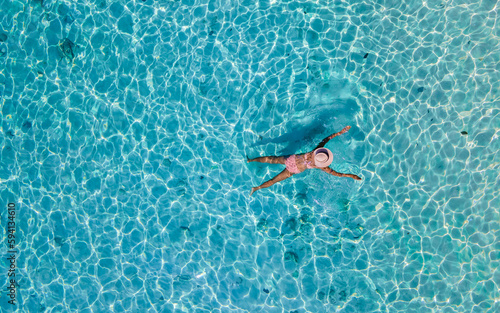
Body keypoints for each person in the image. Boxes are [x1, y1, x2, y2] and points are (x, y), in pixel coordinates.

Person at [248, 126, 361, 195]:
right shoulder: (322, 167)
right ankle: (256, 188)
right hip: (295, 169)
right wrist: (350, 176)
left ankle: (251, 160)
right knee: (273, 180)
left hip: (292, 159)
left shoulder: (316, 150)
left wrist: (340, 132)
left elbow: (327, 138)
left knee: (271, 159)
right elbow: (337, 174)